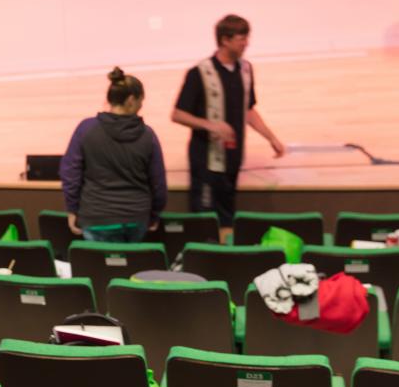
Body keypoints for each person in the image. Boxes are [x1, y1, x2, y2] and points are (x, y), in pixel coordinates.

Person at [171, 14, 285, 240]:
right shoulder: (199, 73)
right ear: (225, 40)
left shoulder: (246, 70)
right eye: (241, 38)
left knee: (227, 216)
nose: (246, 43)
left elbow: (248, 109)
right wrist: (209, 125)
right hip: (206, 161)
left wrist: (271, 137)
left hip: (233, 157)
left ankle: (224, 259)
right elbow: (177, 114)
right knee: (204, 219)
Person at [60, 67, 168, 243]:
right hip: (137, 218)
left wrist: (72, 210)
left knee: (100, 271)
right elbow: (158, 183)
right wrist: (154, 215)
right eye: (141, 101)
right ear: (131, 100)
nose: (141, 106)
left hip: (95, 218)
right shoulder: (148, 135)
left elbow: (70, 173)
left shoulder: (86, 129)